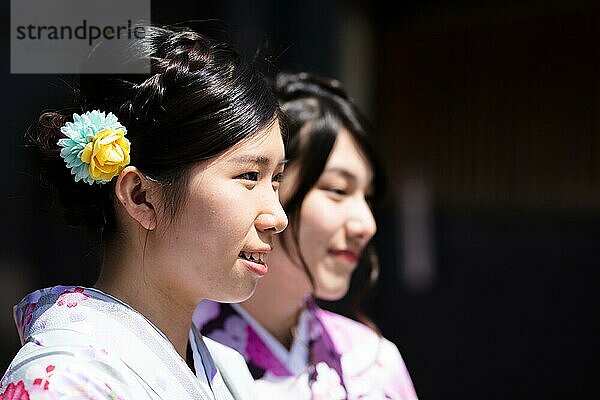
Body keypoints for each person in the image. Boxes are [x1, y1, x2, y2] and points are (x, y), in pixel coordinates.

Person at [1, 24, 288, 400]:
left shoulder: (226, 367)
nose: (278, 216)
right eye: (249, 176)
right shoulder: (63, 381)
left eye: (276, 179)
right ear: (140, 196)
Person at [193, 71, 418, 399]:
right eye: (338, 190)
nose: (365, 223)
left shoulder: (373, 362)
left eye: (367, 197)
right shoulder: (180, 350)